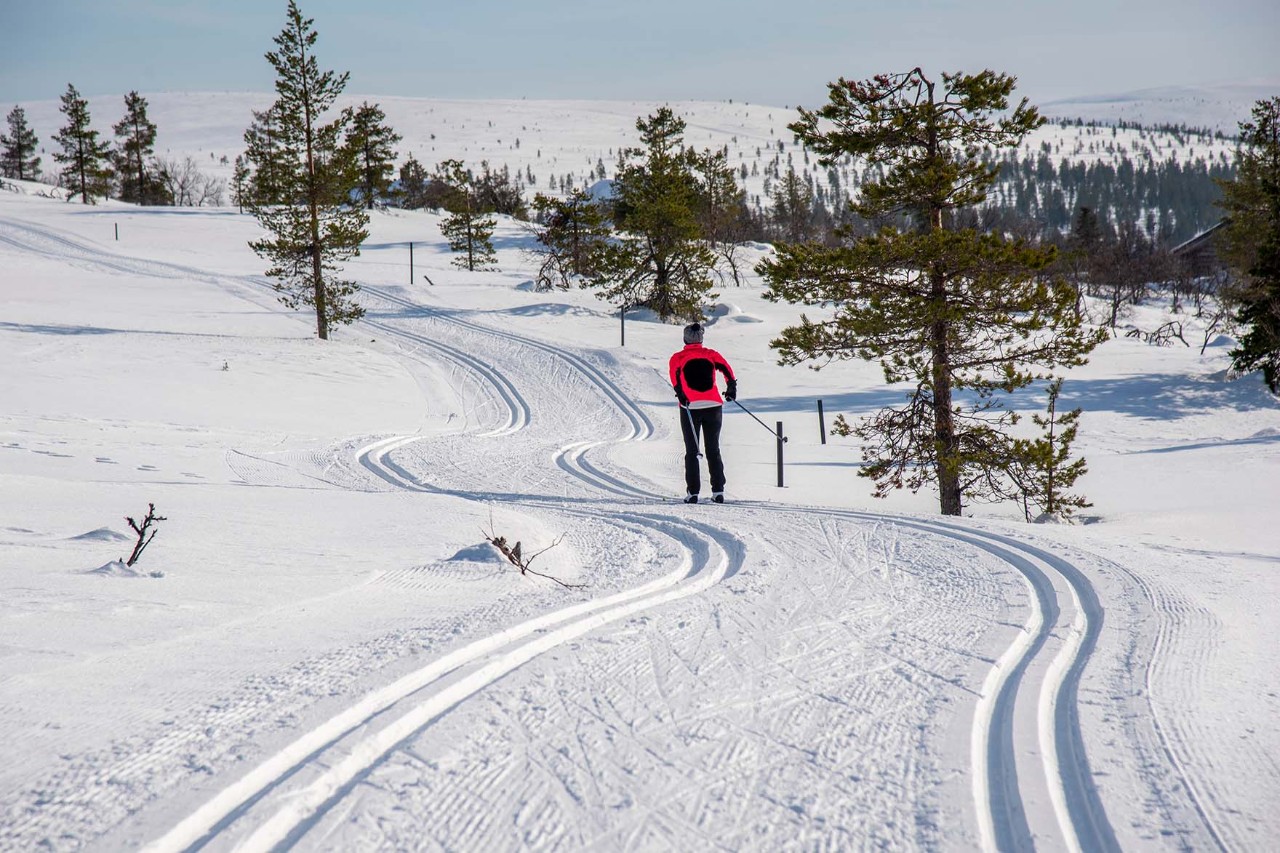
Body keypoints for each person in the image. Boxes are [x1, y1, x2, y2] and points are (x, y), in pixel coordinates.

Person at [669, 322, 737, 503]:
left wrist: (681, 395)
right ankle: (718, 491)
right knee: (713, 449)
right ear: (701, 338)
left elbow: (675, 381)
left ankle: (693, 493)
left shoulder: (678, 357)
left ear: (685, 339)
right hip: (713, 405)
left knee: (692, 450)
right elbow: (727, 370)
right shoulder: (711, 354)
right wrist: (731, 388)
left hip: (690, 407)